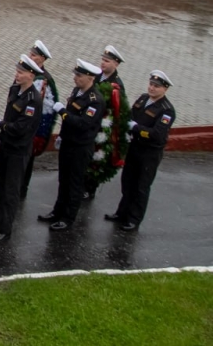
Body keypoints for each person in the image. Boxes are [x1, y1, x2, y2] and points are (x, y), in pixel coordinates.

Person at [0, 55, 43, 243]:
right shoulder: (15, 89)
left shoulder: (33, 100)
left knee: (11, 190)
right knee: (0, 185)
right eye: (17, 71)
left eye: (21, 73)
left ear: (31, 75)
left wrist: (1, 125)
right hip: (6, 145)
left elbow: (21, 127)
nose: (17, 75)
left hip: (18, 150)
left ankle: (5, 228)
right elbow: (9, 114)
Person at [105, 70, 176, 231]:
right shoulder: (143, 98)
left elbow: (157, 134)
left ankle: (134, 219)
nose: (152, 88)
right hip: (134, 147)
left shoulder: (166, 110)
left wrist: (136, 128)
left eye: (156, 86)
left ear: (165, 89)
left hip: (149, 153)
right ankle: (122, 213)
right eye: (151, 84)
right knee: (127, 182)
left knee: (141, 186)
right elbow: (131, 115)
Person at [38, 59, 105, 231]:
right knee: (63, 180)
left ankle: (68, 218)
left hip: (80, 147)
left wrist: (62, 112)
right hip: (68, 143)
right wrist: (61, 135)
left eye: (79, 76)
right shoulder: (77, 91)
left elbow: (83, 123)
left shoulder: (95, 100)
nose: (75, 78)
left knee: (75, 183)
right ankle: (57, 211)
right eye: (76, 74)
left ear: (90, 78)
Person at [84, 45, 126, 200]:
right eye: (103, 59)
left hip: (102, 127)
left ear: (116, 64)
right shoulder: (95, 76)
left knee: (96, 157)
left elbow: (117, 110)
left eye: (107, 61)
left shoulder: (117, 85)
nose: (103, 63)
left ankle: (90, 188)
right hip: (89, 123)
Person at [21, 40, 58, 199]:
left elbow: (47, 111)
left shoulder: (45, 80)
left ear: (42, 59)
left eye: (34, 55)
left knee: (27, 160)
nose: (31, 57)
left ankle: (22, 188)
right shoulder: (27, 72)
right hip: (21, 125)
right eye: (31, 54)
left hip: (32, 128)